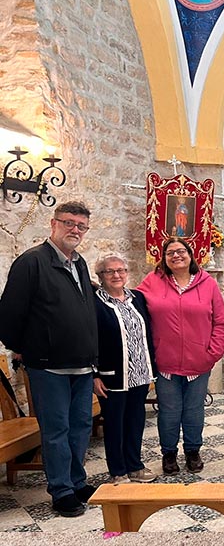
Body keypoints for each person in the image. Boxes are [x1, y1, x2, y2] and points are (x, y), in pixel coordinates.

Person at [0, 201, 98, 517]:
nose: (75, 230)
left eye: (81, 226)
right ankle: (61, 490)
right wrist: (28, 349)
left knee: (80, 427)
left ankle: (77, 480)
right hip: (48, 367)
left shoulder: (80, 263)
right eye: (69, 223)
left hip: (82, 365)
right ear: (53, 223)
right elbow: (9, 316)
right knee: (56, 430)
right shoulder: (31, 262)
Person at [138, 237, 224, 475]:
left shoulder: (207, 284)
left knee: (193, 409)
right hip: (165, 362)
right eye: (170, 252)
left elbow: (220, 322)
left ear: (191, 255)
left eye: (181, 251)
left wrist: (212, 354)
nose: (176, 256)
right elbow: (133, 307)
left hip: (199, 362)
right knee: (169, 410)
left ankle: (192, 451)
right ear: (164, 258)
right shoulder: (152, 282)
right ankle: (168, 454)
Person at [93, 253, 157, 485]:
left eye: (121, 270)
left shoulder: (137, 298)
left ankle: (135, 466)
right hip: (113, 375)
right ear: (101, 276)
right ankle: (118, 471)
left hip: (139, 373)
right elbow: (91, 339)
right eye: (110, 271)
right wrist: (95, 374)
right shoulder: (95, 303)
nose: (117, 275)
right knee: (115, 423)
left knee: (135, 421)